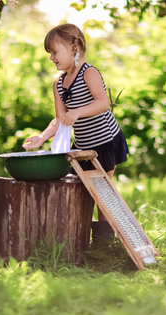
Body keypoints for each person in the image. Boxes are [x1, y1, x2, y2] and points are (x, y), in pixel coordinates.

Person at [23, 23, 129, 244]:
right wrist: (42, 137)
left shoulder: (88, 72)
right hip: (82, 146)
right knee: (84, 192)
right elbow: (60, 119)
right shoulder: (59, 83)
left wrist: (78, 112)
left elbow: (102, 103)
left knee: (103, 192)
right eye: (49, 53)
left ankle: (104, 242)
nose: (51, 58)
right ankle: (80, 237)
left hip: (105, 140)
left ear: (75, 47)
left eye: (54, 52)